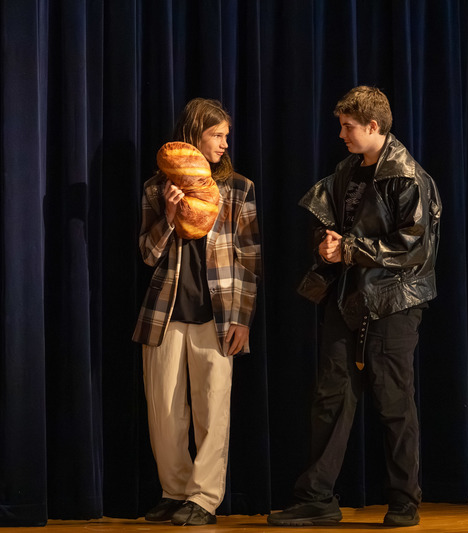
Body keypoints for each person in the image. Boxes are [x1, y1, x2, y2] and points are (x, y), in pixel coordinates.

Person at [267, 86, 441, 528]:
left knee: (393, 401)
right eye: (341, 125)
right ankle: (317, 497)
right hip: (349, 298)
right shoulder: (347, 170)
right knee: (331, 398)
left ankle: (405, 500)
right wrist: (326, 246)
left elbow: (414, 249)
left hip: (393, 303)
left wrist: (349, 248)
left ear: (373, 126)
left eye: (348, 127)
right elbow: (334, 228)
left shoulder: (407, 176)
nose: (342, 134)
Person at [133, 98, 261, 526]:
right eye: (216, 135)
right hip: (165, 314)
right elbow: (148, 255)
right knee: (165, 413)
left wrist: (243, 318)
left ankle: (204, 499)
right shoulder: (157, 187)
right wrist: (169, 215)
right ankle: (175, 491)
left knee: (212, 409)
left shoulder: (238, 189)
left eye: (226, 135)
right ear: (194, 135)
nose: (225, 143)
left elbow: (249, 258)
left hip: (218, 315)